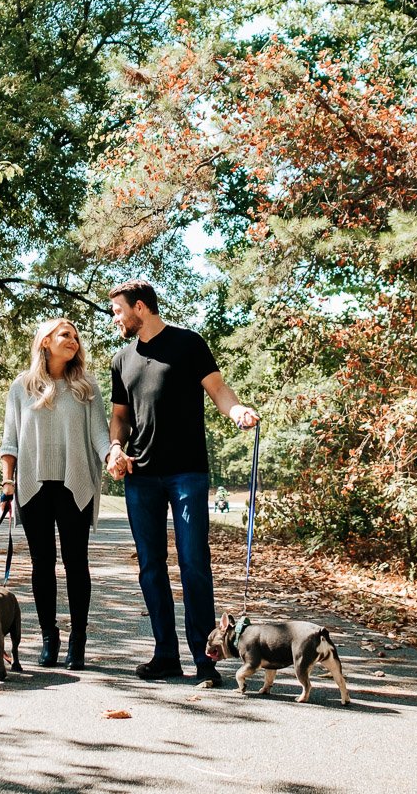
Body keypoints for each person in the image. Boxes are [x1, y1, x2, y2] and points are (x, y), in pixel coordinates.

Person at [106, 279, 259, 686]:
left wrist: (238, 411)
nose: (115, 319)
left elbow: (219, 390)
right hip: (141, 476)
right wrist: (114, 450)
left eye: (118, 310)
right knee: (151, 567)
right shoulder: (121, 359)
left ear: (141, 307)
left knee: (194, 563)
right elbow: (120, 416)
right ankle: (165, 655)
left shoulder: (189, 344)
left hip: (187, 472)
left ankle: (205, 657)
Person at [0, 317, 109, 670]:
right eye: (66, 335)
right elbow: (10, 440)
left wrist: (112, 456)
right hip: (33, 485)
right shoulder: (22, 386)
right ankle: (50, 636)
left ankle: (78, 640)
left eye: (76, 336)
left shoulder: (86, 386)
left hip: (75, 484)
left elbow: (99, 435)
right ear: (45, 341)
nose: (73, 341)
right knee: (41, 565)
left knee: (77, 564)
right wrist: (7, 483)